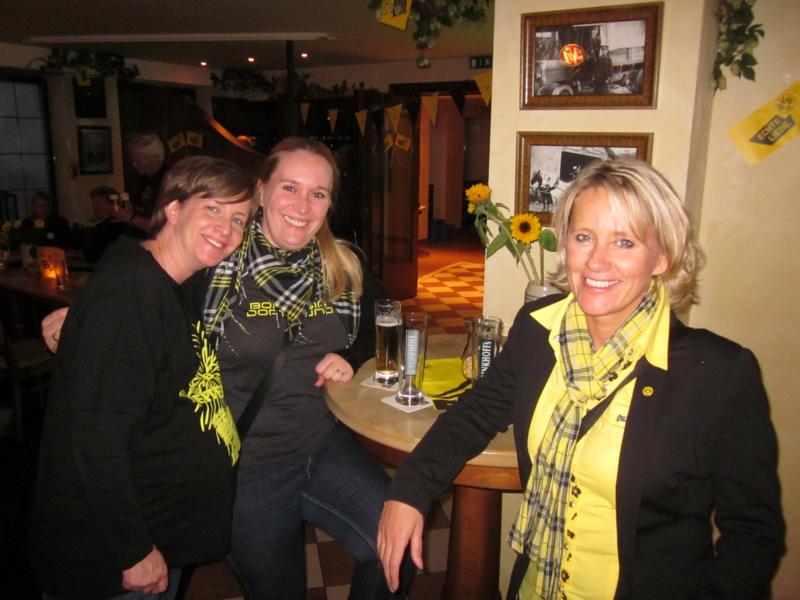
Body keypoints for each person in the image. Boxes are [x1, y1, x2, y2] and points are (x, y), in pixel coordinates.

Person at [377, 158, 785, 599]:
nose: (597, 261)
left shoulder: (718, 374)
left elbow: (753, 533)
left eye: (624, 242)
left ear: (662, 257)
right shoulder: (538, 329)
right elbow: (475, 414)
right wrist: (409, 489)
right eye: (584, 237)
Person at [42, 137, 413, 599]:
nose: (303, 205)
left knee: (394, 549)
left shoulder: (344, 264)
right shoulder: (216, 257)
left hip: (323, 445)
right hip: (247, 467)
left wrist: (352, 356)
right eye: (290, 187)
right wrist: (84, 313)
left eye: (318, 193)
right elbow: (151, 288)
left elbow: (384, 326)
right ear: (262, 191)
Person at [30, 156, 257, 600]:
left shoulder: (172, 278)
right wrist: (132, 550)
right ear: (173, 207)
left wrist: (83, 319)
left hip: (160, 527)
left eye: (238, 219)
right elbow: (96, 439)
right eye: (212, 208)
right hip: (114, 561)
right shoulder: (132, 292)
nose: (226, 229)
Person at [113, 133, 168, 232]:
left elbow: (163, 226)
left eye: (138, 161)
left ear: (154, 159)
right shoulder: (142, 179)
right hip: (133, 234)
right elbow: (140, 210)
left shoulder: (170, 181)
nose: (134, 164)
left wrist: (130, 218)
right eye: (133, 160)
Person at [77, 185, 140, 262]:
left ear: (111, 205)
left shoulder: (114, 225)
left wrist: (79, 254)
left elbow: (97, 253)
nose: (95, 208)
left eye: (99, 204)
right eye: (93, 204)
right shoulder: (94, 223)